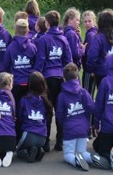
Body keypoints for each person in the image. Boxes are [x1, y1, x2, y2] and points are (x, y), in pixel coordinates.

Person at [33, 11, 68, 150]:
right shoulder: (63, 39)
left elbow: (40, 61)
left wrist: (35, 75)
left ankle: (46, 142)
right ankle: (60, 141)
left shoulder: (43, 40)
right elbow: (68, 60)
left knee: (47, 110)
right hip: (60, 77)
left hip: (47, 79)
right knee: (59, 109)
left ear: (47, 23)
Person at [56, 64, 94, 171]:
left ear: (64, 78)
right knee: (82, 152)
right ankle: (91, 158)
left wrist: (63, 125)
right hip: (83, 129)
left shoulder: (62, 95)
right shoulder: (83, 92)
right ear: (77, 77)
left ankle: (76, 161)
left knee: (68, 154)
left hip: (69, 129)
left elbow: (59, 114)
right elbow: (91, 107)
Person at [14, 73, 50, 163]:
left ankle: (28, 151)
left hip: (28, 134)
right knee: (34, 143)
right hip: (43, 137)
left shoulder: (24, 100)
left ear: (29, 85)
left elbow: (20, 117)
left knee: (17, 150)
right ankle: (38, 150)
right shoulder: (45, 101)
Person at [5, 18, 36, 105]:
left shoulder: (10, 47)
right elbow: (35, 63)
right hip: (29, 83)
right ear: (27, 30)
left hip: (16, 83)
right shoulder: (33, 47)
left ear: (15, 29)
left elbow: (6, 65)